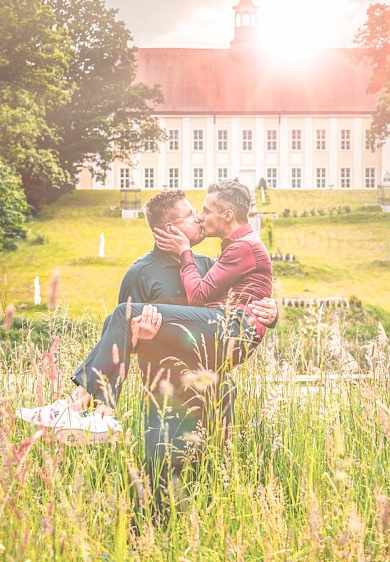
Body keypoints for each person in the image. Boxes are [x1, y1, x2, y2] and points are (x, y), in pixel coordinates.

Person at [17, 181, 275, 518]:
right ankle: (100, 416)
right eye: (190, 214)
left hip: (214, 387)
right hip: (165, 393)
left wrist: (271, 312)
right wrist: (138, 337)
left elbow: (243, 297)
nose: (199, 219)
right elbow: (118, 343)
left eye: (201, 212)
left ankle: (87, 408)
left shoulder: (206, 261)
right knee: (157, 486)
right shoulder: (139, 273)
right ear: (170, 228)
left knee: (211, 483)